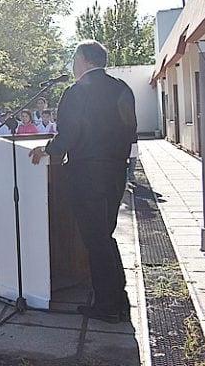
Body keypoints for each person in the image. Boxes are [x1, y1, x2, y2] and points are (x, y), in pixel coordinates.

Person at [30, 40, 137, 324]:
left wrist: (48, 149)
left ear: (85, 60)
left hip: (87, 174)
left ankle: (107, 305)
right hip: (115, 172)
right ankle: (118, 295)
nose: (72, 64)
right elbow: (130, 130)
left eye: (74, 58)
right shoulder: (122, 88)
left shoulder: (77, 92)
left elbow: (69, 133)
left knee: (95, 239)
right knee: (105, 234)